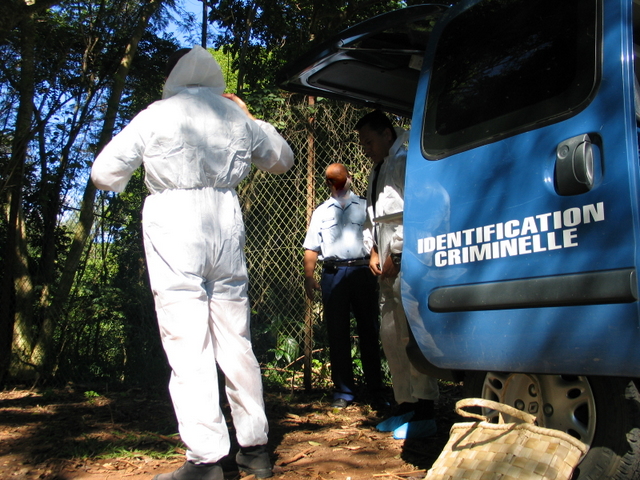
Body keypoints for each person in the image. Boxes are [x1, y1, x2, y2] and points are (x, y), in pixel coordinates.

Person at [91, 46, 294, 480]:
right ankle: (255, 448)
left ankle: (206, 460)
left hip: (174, 226)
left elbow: (104, 174)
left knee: (188, 343)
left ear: (173, 76)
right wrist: (249, 116)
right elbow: (283, 159)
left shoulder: (155, 114)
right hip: (226, 223)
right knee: (236, 339)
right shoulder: (234, 115)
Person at [356, 110, 439, 440]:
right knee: (391, 334)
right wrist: (374, 251)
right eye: (363, 144)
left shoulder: (405, 161)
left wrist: (399, 254)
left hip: (408, 259)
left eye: (369, 142)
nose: (366, 149)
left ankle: (425, 408)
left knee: (410, 332)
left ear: (388, 135)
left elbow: (419, 212)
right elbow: (372, 218)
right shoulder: (378, 169)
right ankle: (405, 402)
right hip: (385, 261)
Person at [302, 163, 384, 409]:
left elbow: (378, 237)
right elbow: (311, 247)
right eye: (331, 180)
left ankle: (376, 390)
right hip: (333, 273)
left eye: (340, 179)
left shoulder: (366, 206)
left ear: (350, 178)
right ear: (327, 183)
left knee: (369, 330)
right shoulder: (321, 212)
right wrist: (309, 276)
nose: (336, 184)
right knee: (337, 333)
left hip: (363, 271)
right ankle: (343, 391)